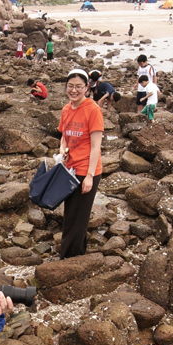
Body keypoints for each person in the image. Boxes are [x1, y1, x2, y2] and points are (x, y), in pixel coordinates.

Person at [58, 69, 104, 259]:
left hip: (86, 171)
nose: (74, 90)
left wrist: (90, 176)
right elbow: (64, 136)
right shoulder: (66, 108)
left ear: (87, 88)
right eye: (71, 86)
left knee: (78, 218)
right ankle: (78, 255)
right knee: (72, 216)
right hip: (70, 169)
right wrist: (62, 148)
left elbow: (96, 147)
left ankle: (67, 260)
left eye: (79, 86)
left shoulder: (93, 110)